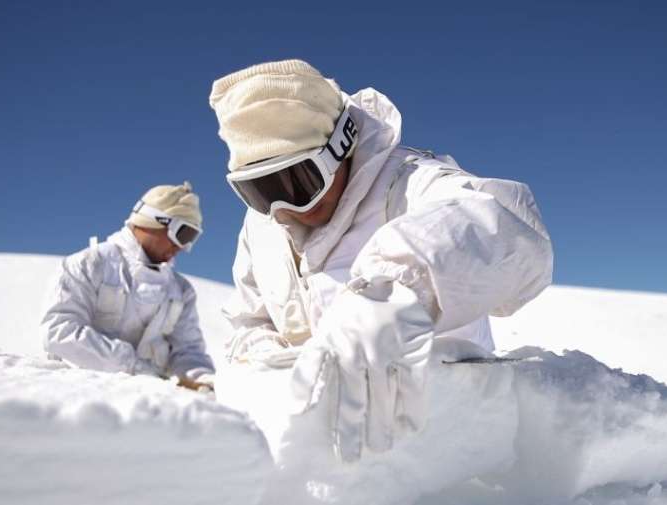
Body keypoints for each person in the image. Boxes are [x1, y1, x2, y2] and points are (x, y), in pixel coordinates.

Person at [209, 59, 553, 460]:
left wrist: (399, 291)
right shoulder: (261, 229)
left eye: (298, 182)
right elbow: (249, 322)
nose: (285, 208)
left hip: (440, 445)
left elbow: (509, 228)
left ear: (341, 146)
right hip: (318, 454)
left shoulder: (408, 183)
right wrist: (278, 368)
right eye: (261, 191)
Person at [40, 183, 215, 390]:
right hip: (80, 395)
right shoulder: (89, 264)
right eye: (183, 234)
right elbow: (59, 332)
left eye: (191, 238)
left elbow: (188, 351)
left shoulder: (180, 290)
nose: (182, 247)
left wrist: (203, 380)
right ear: (152, 220)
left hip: (147, 403)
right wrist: (133, 367)